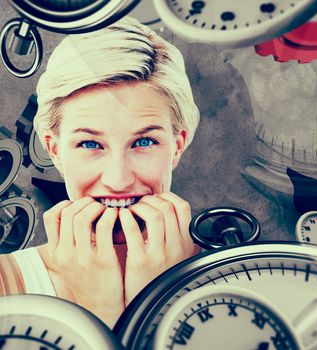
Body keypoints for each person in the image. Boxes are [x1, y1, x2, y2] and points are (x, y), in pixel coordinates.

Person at [0, 16, 200, 329]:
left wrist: (154, 300)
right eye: (90, 144)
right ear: (54, 150)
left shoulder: (244, 273)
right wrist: (101, 313)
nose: (118, 180)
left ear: (177, 146)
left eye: (144, 142)